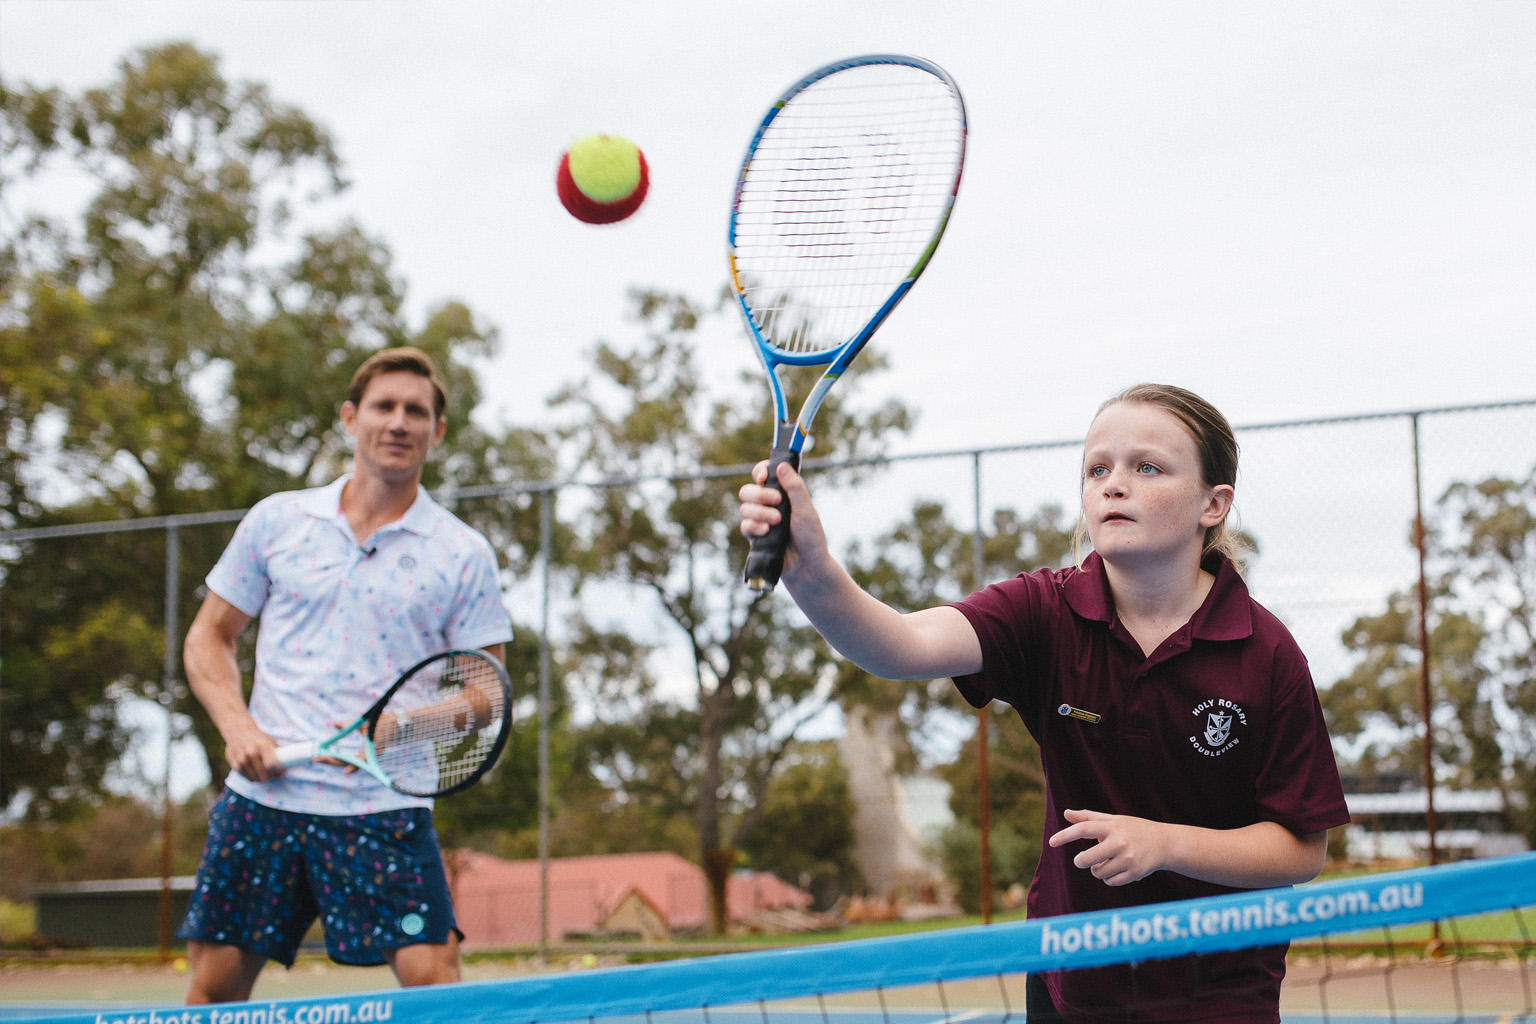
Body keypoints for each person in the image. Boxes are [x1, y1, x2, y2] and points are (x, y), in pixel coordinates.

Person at [738, 384, 1348, 1023]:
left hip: (1218, 993)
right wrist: (813, 576)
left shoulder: (1269, 653)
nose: (1113, 485)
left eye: (1147, 467)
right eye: (1096, 469)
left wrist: (1165, 844)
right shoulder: (1042, 612)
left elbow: (1301, 850)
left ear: (1213, 504)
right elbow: (902, 646)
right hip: (1070, 982)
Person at [178, 347, 512, 1003]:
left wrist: (402, 727)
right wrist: (239, 727)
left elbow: (486, 692)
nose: (399, 422)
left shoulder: (462, 553)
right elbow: (208, 637)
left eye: (416, 411)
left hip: (382, 807)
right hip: (263, 804)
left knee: (434, 985)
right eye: (384, 407)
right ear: (350, 419)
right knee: (213, 989)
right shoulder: (278, 521)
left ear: (436, 432)